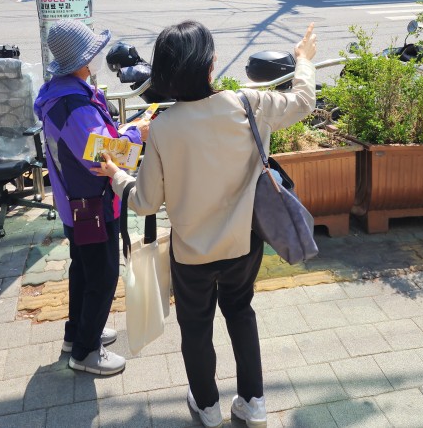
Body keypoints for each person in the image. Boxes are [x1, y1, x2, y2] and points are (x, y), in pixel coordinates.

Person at [93, 21, 318, 428]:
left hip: (191, 254)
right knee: (241, 312)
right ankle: (253, 403)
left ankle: (207, 407)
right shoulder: (248, 103)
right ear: (211, 65)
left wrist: (116, 175)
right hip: (243, 245)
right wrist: (303, 60)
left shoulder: (162, 128)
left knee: (196, 329)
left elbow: (145, 202)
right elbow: (303, 100)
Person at [34, 20, 149, 377]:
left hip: (76, 204)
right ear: (82, 60)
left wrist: (126, 130)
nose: (99, 57)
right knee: (101, 275)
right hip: (92, 204)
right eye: (93, 52)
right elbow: (103, 158)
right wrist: (137, 132)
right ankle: (85, 352)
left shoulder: (63, 92)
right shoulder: (73, 103)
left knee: (84, 270)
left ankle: (79, 333)